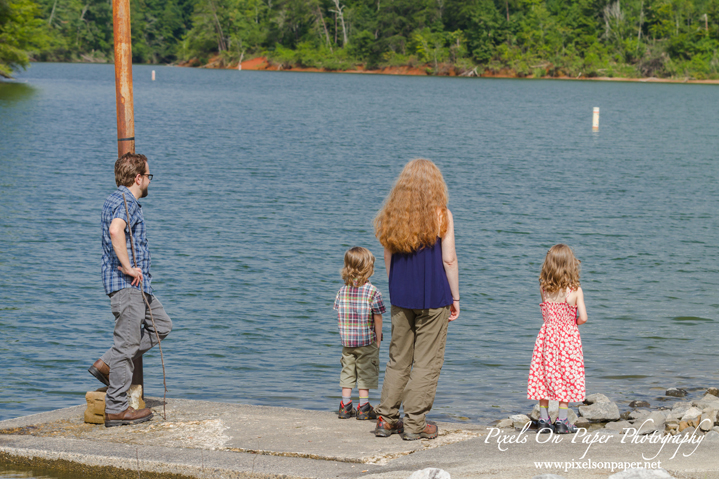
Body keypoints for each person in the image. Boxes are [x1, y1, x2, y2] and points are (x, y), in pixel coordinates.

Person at [372, 159, 460, 441]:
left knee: (398, 359)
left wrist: (395, 285)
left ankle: (386, 420)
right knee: (426, 361)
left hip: (400, 295)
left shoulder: (392, 213)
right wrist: (455, 296)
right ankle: (414, 424)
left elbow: (387, 257)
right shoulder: (442, 215)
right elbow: (449, 259)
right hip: (435, 296)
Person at [88, 152, 172, 427]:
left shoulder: (115, 199)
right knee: (126, 346)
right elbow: (116, 231)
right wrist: (126, 267)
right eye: (148, 176)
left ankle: (107, 363)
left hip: (138, 287)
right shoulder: (127, 203)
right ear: (138, 178)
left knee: (161, 325)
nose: (149, 181)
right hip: (128, 286)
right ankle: (116, 409)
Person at [527, 244, 588, 435]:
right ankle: (562, 421)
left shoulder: (544, 289)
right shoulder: (575, 290)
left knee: (544, 375)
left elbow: (546, 314)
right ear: (570, 265)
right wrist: (573, 322)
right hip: (568, 338)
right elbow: (584, 318)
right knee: (566, 376)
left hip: (548, 337)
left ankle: (544, 420)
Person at [333, 247, 386, 420]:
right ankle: (363, 407)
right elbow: (377, 318)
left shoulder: (342, 291)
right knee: (365, 372)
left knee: (347, 371)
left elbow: (339, 311)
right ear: (368, 268)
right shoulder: (373, 291)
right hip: (366, 340)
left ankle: (345, 405)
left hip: (347, 341)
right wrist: (378, 339)